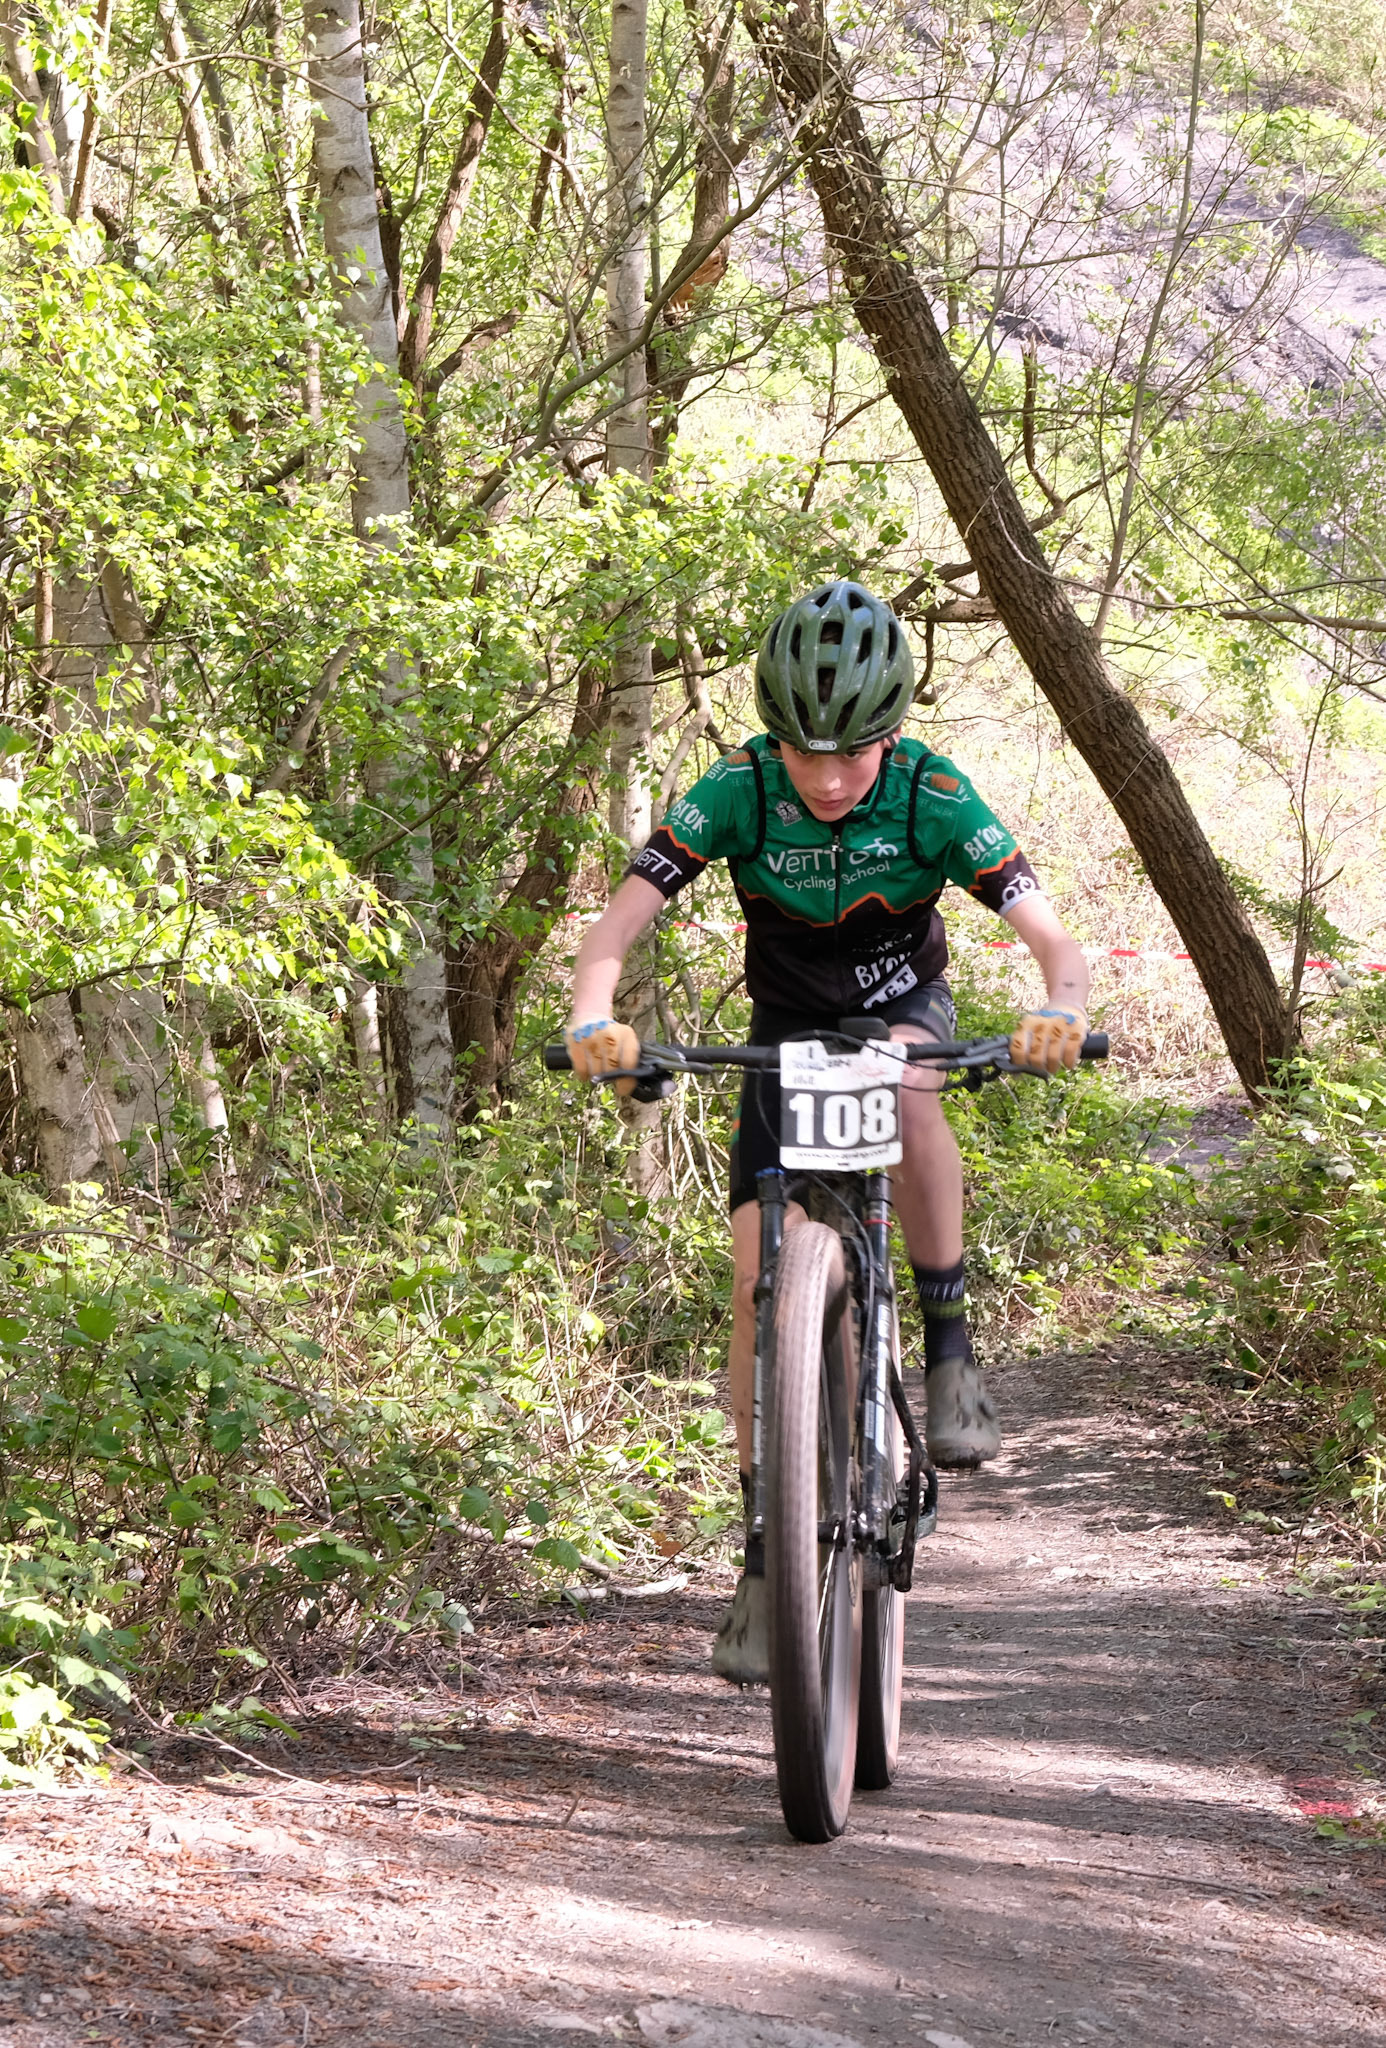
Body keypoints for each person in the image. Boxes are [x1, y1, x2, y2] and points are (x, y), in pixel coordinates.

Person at [563, 581, 1090, 1681]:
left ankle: (949, 1349)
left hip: (903, 1010)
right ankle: (768, 1551)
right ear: (775, 737)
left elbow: (1052, 937)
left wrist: (1061, 1010)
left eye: (854, 751)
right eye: (809, 752)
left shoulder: (932, 791)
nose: (832, 776)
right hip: (786, 1032)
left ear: (890, 733)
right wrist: (594, 1020)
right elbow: (615, 929)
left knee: (909, 1085)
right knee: (756, 1288)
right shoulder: (738, 789)